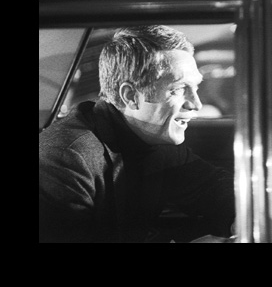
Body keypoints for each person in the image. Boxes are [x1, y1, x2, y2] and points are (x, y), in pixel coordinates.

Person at [39, 25, 236, 243]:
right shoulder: (65, 158)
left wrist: (239, 218)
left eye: (195, 87)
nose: (196, 104)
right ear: (131, 96)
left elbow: (210, 186)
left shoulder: (156, 139)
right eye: (179, 89)